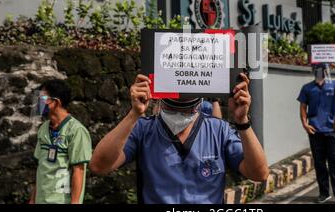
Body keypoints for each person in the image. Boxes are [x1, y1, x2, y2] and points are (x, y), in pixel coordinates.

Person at [89, 73, 269, 204]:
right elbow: (99, 165)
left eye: (187, 105)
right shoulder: (144, 129)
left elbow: (259, 173)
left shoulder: (218, 130)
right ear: (160, 99)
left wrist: (242, 121)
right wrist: (134, 114)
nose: (181, 112)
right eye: (174, 106)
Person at [297, 59, 335, 204]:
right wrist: (305, 124)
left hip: (332, 130)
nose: (320, 71)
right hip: (315, 131)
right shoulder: (307, 88)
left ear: (326, 70)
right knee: (320, 164)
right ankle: (324, 193)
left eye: (322, 68)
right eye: (317, 68)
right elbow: (303, 107)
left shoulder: (333, 85)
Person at [29, 79, 92, 204]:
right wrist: (32, 199)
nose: (38, 103)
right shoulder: (43, 129)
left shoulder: (76, 131)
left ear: (55, 102)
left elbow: (78, 171)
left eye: (42, 98)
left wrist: (75, 202)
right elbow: (40, 168)